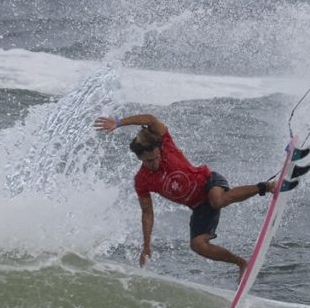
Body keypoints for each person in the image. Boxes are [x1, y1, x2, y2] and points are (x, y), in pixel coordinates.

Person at [93, 113, 274, 280]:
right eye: (149, 161)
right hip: (199, 206)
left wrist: (118, 123)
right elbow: (147, 213)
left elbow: (149, 119)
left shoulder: (166, 145)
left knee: (217, 200)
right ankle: (241, 263)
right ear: (139, 158)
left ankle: (266, 186)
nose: (155, 163)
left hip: (209, 182)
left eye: (156, 157)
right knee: (197, 245)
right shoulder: (142, 181)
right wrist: (146, 245)